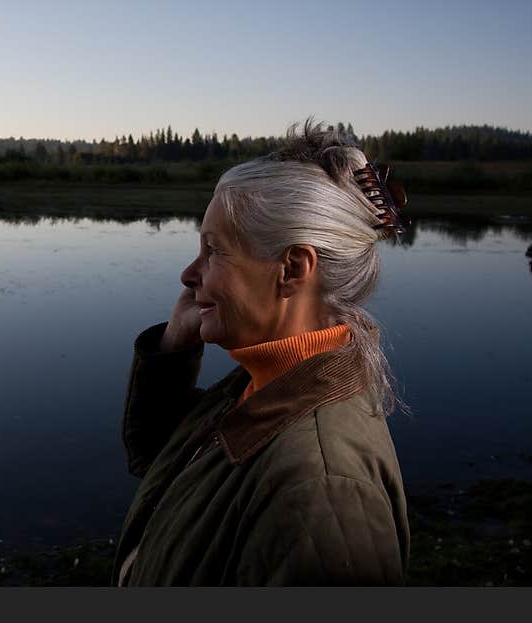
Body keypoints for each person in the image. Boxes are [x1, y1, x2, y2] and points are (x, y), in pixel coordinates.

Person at [113, 120, 410, 586]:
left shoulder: (321, 491)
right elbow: (163, 466)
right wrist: (174, 350)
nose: (189, 274)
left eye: (214, 251)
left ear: (292, 268)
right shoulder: (267, 381)